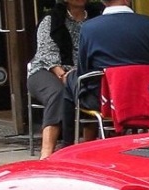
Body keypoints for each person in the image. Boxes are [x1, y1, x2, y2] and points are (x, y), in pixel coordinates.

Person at [69, 0, 149, 138]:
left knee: (71, 80)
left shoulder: (88, 28)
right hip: (147, 98)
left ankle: (66, 144)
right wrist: (146, 80)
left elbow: (84, 73)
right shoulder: (148, 24)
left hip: (105, 101)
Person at [26, 0, 103, 156]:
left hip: (81, 70)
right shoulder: (51, 19)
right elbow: (47, 53)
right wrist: (63, 75)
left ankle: (87, 149)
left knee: (91, 89)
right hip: (46, 69)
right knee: (58, 92)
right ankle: (47, 151)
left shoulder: (96, 17)